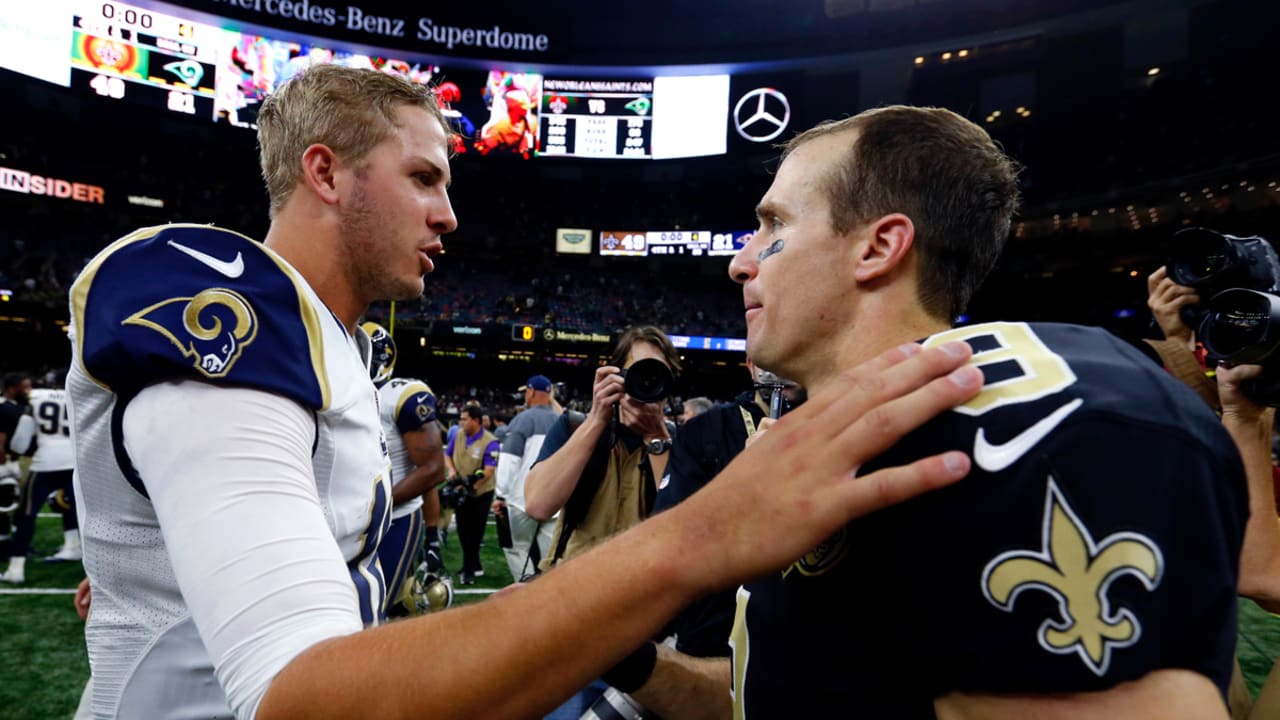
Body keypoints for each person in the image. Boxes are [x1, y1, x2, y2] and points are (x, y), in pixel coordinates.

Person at [66, 64, 986, 719]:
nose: (450, 213)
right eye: (424, 177)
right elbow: (298, 695)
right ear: (325, 172)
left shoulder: (351, 352)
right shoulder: (216, 299)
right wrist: (707, 530)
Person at [618, 106, 1250, 719]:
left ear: (879, 246)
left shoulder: (1026, 420)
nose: (741, 261)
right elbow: (781, 692)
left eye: (775, 226)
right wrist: (628, 658)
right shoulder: (820, 438)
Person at [524, 326, 681, 570]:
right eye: (638, 372)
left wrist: (656, 438)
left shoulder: (680, 442)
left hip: (645, 591)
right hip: (571, 585)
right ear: (616, 375)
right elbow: (538, 505)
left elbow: (682, 528)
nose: (646, 382)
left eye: (656, 374)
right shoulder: (574, 427)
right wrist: (597, 419)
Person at [362, 322, 447, 615]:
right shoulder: (339, 393)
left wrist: (375, 507)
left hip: (394, 520)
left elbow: (433, 471)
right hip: (347, 519)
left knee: (374, 610)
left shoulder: (401, 395)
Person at [1, 371, 79, 584]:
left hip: (46, 462)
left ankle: (16, 569)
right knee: (76, 508)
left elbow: (20, 442)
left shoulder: (35, 398)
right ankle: (74, 548)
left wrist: (18, 452)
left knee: (26, 513)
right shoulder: (77, 396)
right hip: (74, 461)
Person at [493, 374, 560, 581]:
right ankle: (555, 598)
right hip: (555, 501)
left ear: (530, 392)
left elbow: (509, 461)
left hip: (522, 500)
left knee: (517, 549)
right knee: (552, 557)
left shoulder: (522, 419)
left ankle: (528, 594)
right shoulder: (562, 421)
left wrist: (500, 495)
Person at [443, 404, 499, 584]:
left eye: (464, 419)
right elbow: (447, 455)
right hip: (461, 488)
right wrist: (452, 471)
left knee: (475, 532)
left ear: (475, 420)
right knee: (462, 529)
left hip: (481, 492)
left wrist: (472, 485)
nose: (461, 423)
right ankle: (474, 565)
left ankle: (468, 571)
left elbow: (489, 470)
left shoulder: (490, 441)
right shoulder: (458, 435)